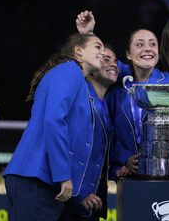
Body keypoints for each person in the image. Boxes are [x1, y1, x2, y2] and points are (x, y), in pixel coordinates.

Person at [3, 33, 105, 220]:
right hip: (36, 178)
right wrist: (64, 176)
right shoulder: (69, 70)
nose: (103, 53)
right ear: (78, 50)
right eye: (98, 47)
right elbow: (54, 120)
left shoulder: (73, 76)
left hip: (38, 180)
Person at [105, 29, 169, 180]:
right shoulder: (114, 96)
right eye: (140, 44)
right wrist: (126, 159)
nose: (147, 48)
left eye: (152, 44)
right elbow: (110, 137)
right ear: (128, 55)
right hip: (132, 178)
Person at [59, 46, 120, 221]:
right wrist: (79, 192)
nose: (114, 64)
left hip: (90, 203)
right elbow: (65, 146)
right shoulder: (79, 96)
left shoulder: (105, 104)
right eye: (106, 59)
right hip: (70, 200)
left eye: (115, 61)